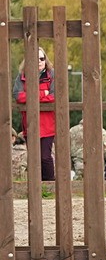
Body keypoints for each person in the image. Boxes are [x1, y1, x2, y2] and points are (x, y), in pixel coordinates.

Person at [12, 47, 56, 180]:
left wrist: (31, 96)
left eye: (42, 58)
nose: (39, 61)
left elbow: (55, 96)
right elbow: (18, 96)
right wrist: (43, 93)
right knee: (33, 157)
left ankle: (49, 185)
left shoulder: (52, 74)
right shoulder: (22, 76)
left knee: (45, 156)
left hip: (48, 124)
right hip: (30, 124)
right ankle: (36, 185)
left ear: (45, 60)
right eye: (35, 58)